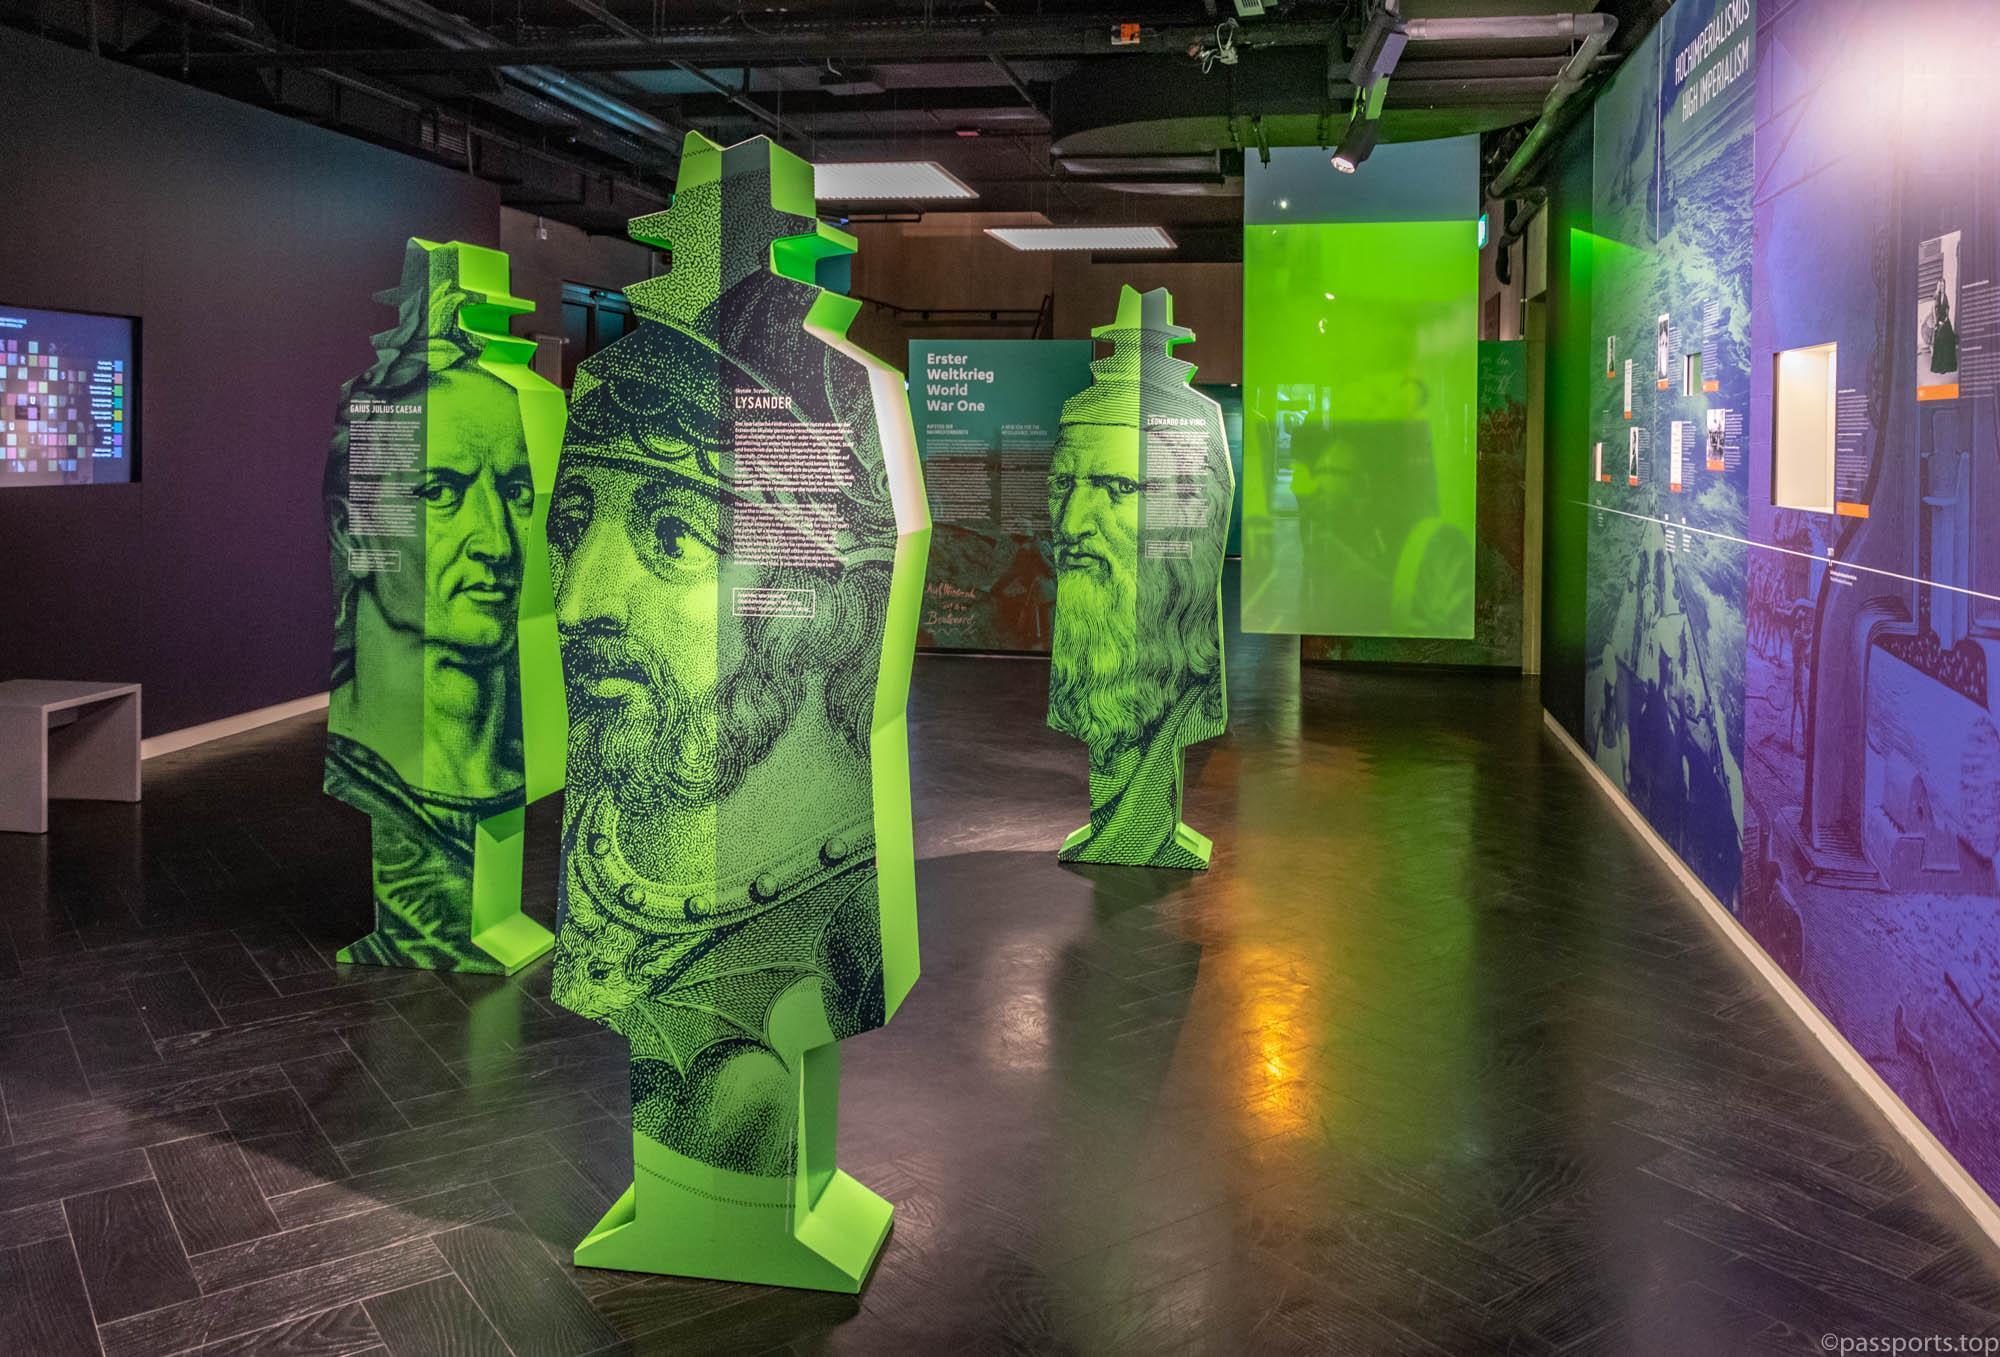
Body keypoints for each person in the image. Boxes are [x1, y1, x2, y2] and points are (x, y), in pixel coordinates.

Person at [546, 131, 919, 1292]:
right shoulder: (600, 382)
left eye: (674, 534)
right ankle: (682, 1210)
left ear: (822, 601)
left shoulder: (849, 396)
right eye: (575, 527)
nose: (577, 601)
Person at [324, 241, 548, 973]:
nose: (497, 542)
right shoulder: (374, 764)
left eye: (515, 492)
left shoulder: (514, 751)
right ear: (355, 527)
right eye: (440, 492)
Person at [1047, 285, 1232, 869]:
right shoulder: (1082, 408)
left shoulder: (1194, 418)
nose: (1070, 525)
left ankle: (1146, 831)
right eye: (1063, 484)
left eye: (1120, 487)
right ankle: (1111, 826)